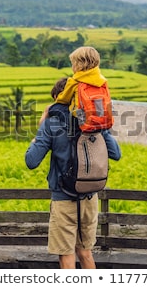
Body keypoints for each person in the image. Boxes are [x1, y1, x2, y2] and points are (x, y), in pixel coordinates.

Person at [25, 75, 121, 269]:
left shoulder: (52, 123)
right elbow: (116, 154)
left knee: (66, 255)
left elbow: (31, 161)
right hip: (89, 197)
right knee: (85, 253)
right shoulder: (93, 122)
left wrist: (41, 127)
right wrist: (102, 129)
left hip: (63, 198)